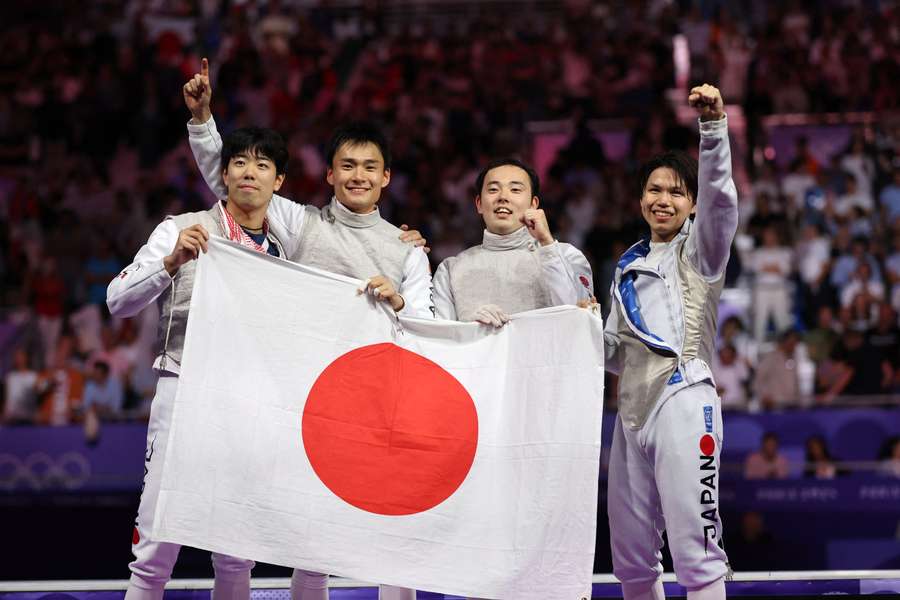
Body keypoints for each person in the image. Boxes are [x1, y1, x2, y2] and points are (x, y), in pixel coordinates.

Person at [184, 59, 432, 600]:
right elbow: (239, 183)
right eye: (347, 165)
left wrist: (398, 301)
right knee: (252, 534)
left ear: (386, 177)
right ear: (330, 174)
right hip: (292, 395)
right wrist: (203, 121)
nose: (358, 176)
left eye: (369, 167)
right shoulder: (301, 222)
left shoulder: (407, 250)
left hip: (365, 403)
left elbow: (426, 327)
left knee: (341, 541)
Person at [107, 125, 292, 600]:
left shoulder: (287, 249)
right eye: (239, 162)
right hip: (183, 388)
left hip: (249, 401)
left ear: (279, 181)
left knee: (235, 553)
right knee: (154, 549)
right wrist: (170, 262)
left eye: (263, 164)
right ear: (223, 174)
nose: (250, 172)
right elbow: (116, 301)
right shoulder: (179, 228)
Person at [603, 84, 736, 600]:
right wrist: (569, 326)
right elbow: (614, 352)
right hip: (630, 414)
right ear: (640, 200)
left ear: (692, 204)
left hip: (683, 400)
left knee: (697, 555)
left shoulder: (703, 251)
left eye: (677, 192)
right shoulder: (626, 267)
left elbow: (722, 199)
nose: (663, 199)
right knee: (632, 562)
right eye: (655, 190)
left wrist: (713, 129)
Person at [432, 157, 594, 326]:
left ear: (533, 204)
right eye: (493, 189)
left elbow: (578, 323)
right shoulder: (451, 270)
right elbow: (441, 341)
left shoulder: (568, 256)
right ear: (479, 204)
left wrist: (547, 243)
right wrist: (471, 328)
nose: (503, 197)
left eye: (515, 189)